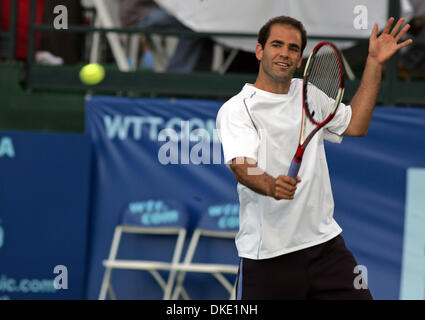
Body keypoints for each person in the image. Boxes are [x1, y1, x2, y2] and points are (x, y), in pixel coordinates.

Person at [216, 16, 412, 300]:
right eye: (277, 45)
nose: (284, 53)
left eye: (293, 48)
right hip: (268, 256)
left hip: (326, 248)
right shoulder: (238, 109)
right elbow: (242, 166)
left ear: (300, 59)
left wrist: (373, 63)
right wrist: (271, 185)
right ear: (260, 51)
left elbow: (356, 125)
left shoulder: (309, 93)